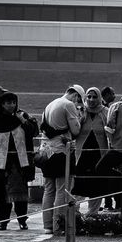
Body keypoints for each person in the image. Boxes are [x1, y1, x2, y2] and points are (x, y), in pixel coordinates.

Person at [0, 92, 35, 230]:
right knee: (1, 192)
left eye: (13, 102)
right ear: (2, 104)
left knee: (20, 193)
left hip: (19, 161)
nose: (12, 105)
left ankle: (22, 220)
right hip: (0, 161)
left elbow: (33, 132)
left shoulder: (22, 116)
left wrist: (22, 120)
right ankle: (3, 221)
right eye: (8, 103)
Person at [38, 85, 83, 233]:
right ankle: (58, 225)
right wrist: (79, 119)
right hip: (60, 152)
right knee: (61, 189)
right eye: (79, 100)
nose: (78, 103)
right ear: (75, 95)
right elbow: (75, 130)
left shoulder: (50, 104)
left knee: (48, 189)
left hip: (45, 151)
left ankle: (47, 225)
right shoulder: (68, 105)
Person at [71, 86, 110, 209]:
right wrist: (81, 115)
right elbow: (74, 130)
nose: (91, 99)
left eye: (94, 97)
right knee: (79, 184)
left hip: (99, 155)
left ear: (99, 98)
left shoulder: (105, 112)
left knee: (96, 186)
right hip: (82, 155)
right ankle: (74, 214)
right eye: (89, 96)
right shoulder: (81, 111)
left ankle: (93, 213)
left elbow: (110, 132)